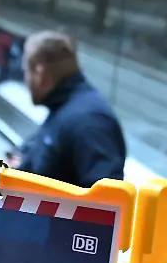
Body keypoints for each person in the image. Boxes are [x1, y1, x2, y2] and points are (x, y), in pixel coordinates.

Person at [8, 31, 126, 188]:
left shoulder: (89, 122)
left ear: (40, 73)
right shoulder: (63, 108)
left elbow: (107, 201)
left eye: (27, 72)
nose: (26, 80)